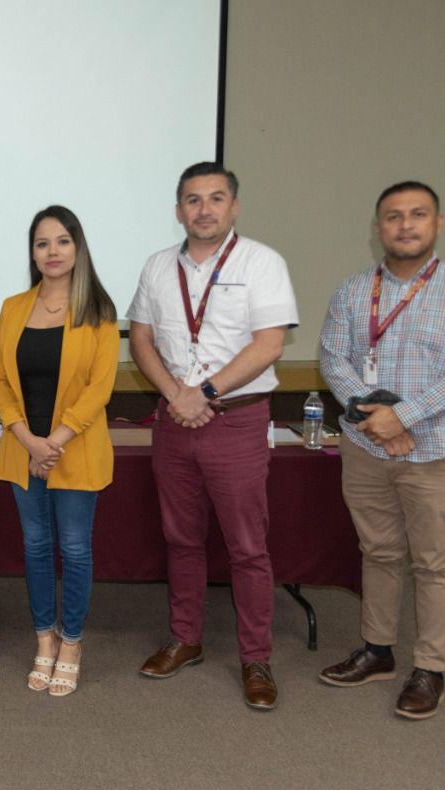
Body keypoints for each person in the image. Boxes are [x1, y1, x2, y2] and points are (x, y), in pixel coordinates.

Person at [318, 181, 445, 720]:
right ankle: (377, 650)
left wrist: (405, 415)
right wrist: (376, 418)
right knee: (378, 553)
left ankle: (431, 667)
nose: (405, 225)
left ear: (438, 223)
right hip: (366, 449)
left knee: (435, 562)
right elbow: (333, 357)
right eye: (393, 217)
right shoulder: (354, 290)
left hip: (437, 451)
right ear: (378, 229)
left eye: (418, 215)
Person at [127, 161, 298, 710]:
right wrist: (178, 395)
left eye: (216, 198)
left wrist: (204, 392)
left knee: (247, 547)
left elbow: (269, 344)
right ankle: (187, 639)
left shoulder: (262, 262)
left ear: (234, 206)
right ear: (178, 210)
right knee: (181, 538)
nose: (204, 209)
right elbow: (141, 340)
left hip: (237, 419)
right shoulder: (157, 267)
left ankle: (256, 658)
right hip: (174, 421)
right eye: (193, 200)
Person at [0, 206, 119, 697]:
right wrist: (28, 441)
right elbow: (0, 382)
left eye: (62, 241)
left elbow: (100, 389)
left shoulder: (99, 313)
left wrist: (56, 442)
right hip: (24, 450)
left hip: (76, 451)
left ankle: (72, 643)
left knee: (75, 549)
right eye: (42, 243)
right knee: (37, 548)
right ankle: (44, 639)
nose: (52, 252)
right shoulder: (12, 307)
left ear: (78, 247)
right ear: (32, 252)